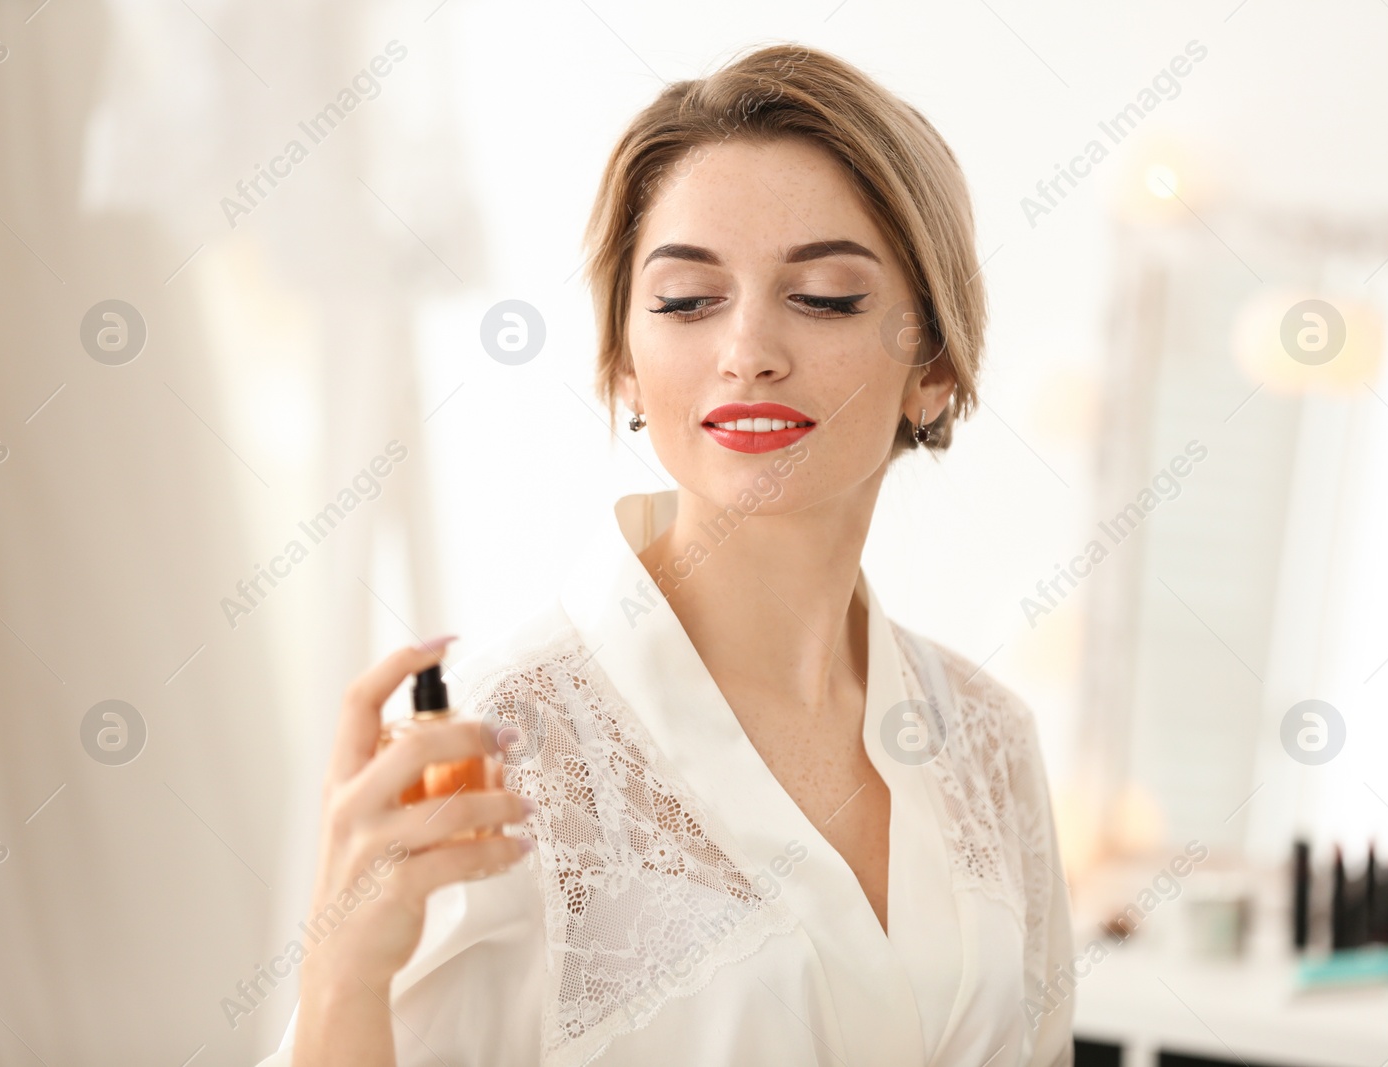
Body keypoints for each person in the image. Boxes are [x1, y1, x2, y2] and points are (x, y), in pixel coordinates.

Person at [261, 42, 1074, 1067]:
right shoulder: (506, 747)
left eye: (824, 296)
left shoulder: (989, 744)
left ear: (936, 365)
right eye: (688, 301)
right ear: (624, 366)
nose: (746, 350)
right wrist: (341, 973)